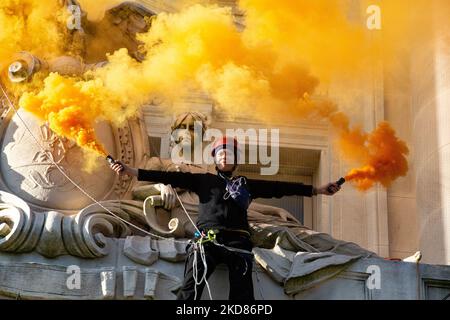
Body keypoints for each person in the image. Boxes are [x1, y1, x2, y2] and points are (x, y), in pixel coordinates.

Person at [110, 136, 342, 300]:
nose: (224, 156)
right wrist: (130, 171)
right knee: (189, 291)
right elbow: (162, 175)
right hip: (207, 242)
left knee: (243, 298)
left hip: (238, 244)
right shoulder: (203, 180)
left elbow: (279, 187)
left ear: (235, 160)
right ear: (215, 158)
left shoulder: (245, 185)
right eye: (220, 152)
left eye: (228, 153)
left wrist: (318, 190)